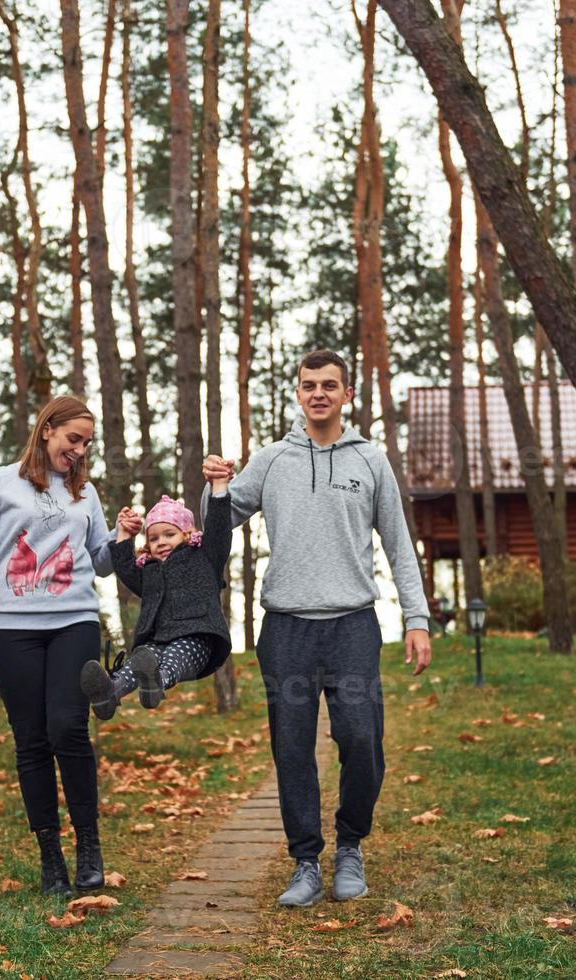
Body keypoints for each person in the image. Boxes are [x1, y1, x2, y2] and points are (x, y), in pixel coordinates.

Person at [201, 349, 432, 908]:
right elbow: (218, 527)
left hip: (353, 626)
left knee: (361, 739)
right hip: (286, 630)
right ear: (299, 394)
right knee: (292, 748)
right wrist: (214, 488)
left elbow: (399, 545)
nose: (319, 393)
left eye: (330, 385)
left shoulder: (370, 461)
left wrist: (417, 619)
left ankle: (350, 845)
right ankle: (305, 860)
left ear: (347, 394)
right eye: (309, 385)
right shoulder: (272, 460)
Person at [0, 395, 127, 896]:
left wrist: (125, 535)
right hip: (12, 629)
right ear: (47, 430)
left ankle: (90, 850)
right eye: (72, 439)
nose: (78, 451)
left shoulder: (87, 495)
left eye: (86, 444)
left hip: (74, 621)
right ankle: (51, 857)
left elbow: (100, 561)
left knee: (68, 729)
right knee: (31, 740)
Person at [79, 477, 233, 719]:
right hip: (155, 642)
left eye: (169, 534)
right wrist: (122, 534)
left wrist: (220, 487)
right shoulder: (148, 571)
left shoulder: (204, 558)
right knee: (136, 663)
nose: (161, 542)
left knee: (176, 655)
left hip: (198, 637)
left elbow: (220, 529)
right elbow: (126, 570)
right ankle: (110, 692)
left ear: (187, 533)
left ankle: (156, 682)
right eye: (153, 538)